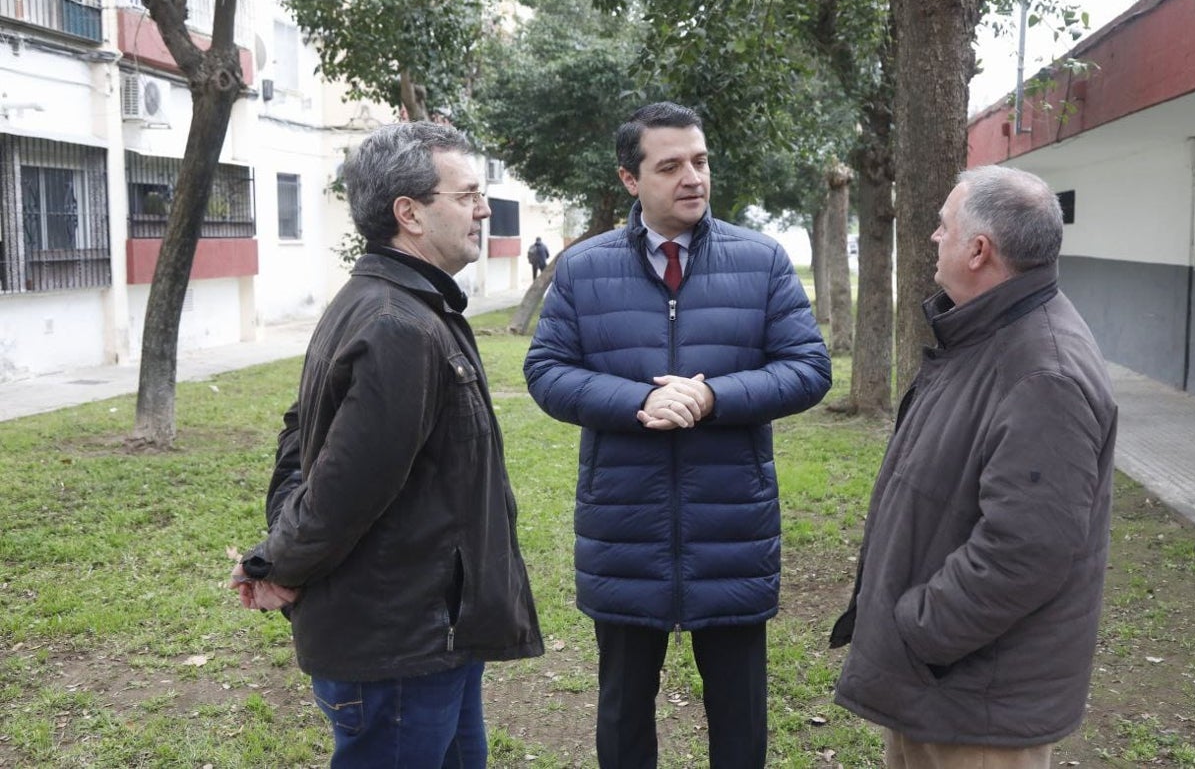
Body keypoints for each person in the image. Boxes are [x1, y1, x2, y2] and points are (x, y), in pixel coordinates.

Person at [524, 101, 832, 768]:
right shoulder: (584, 268)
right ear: (631, 180)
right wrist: (640, 402)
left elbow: (809, 368)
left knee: (741, 715)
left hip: (733, 531)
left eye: (700, 160)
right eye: (670, 166)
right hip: (624, 529)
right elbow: (546, 372)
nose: (692, 177)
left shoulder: (761, 260)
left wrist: (713, 396)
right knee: (623, 714)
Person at [229, 122, 543, 768]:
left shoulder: (390, 301)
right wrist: (278, 566)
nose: (483, 207)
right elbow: (341, 481)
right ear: (411, 214)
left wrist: (279, 554)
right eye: (467, 194)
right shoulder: (398, 321)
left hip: (428, 633)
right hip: (399, 643)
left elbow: (302, 440)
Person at [829, 165, 1118, 769]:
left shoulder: (1043, 373)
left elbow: (1026, 551)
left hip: (977, 706)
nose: (934, 238)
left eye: (943, 226)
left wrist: (921, 629)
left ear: (979, 249)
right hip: (946, 689)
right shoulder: (986, 334)